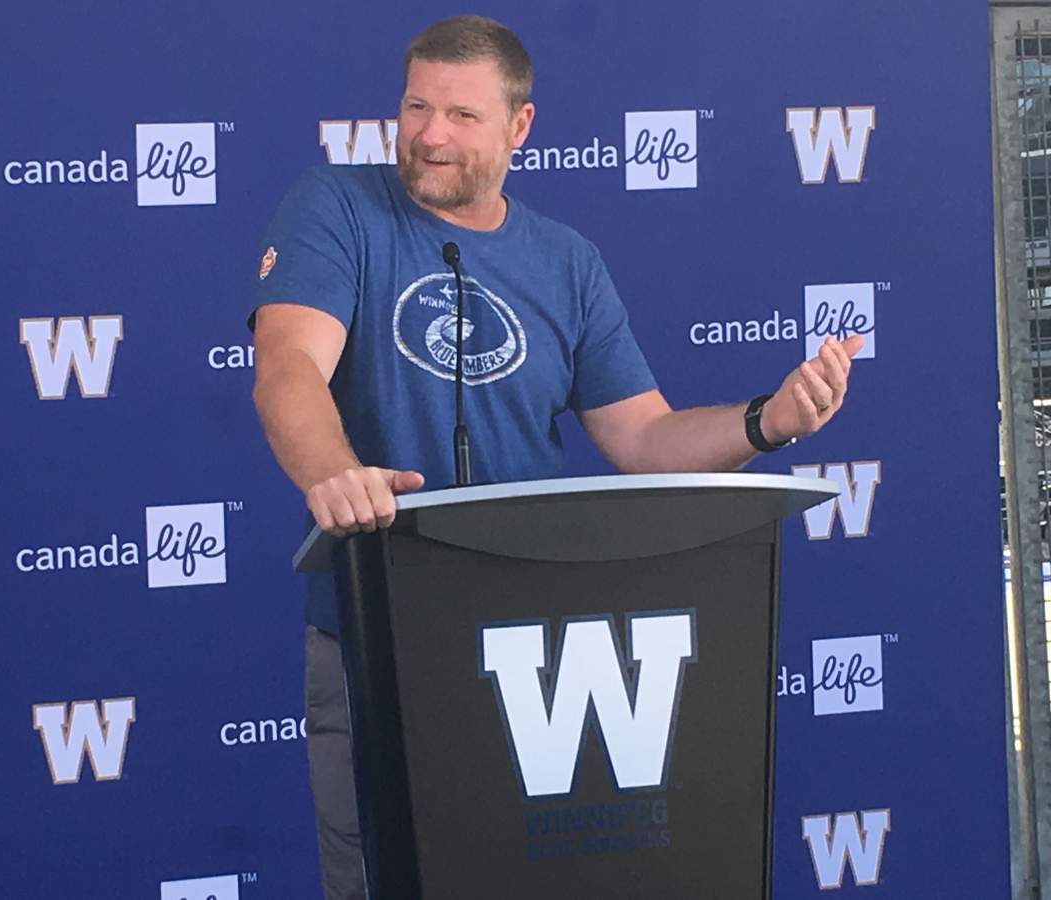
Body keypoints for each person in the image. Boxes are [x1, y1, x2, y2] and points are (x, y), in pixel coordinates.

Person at [249, 15, 862, 900]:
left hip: (539, 641)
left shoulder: (567, 262)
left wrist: (768, 422)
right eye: (416, 106)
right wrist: (331, 475)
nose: (429, 134)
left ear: (519, 127)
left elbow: (645, 441)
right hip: (376, 626)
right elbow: (287, 367)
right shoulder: (336, 206)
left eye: (461, 115)